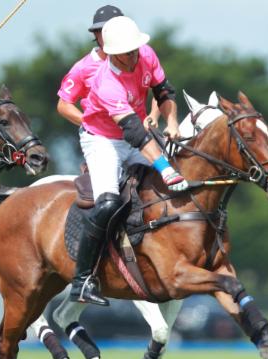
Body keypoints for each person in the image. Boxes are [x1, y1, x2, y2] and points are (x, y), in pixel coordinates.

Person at [67, 16, 187, 306]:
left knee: (172, 184)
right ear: (112, 54)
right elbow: (134, 132)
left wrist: (172, 122)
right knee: (108, 203)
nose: (135, 56)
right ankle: (82, 280)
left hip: (134, 134)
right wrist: (164, 167)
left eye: (135, 49)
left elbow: (163, 91)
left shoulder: (145, 53)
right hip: (103, 140)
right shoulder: (106, 82)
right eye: (127, 53)